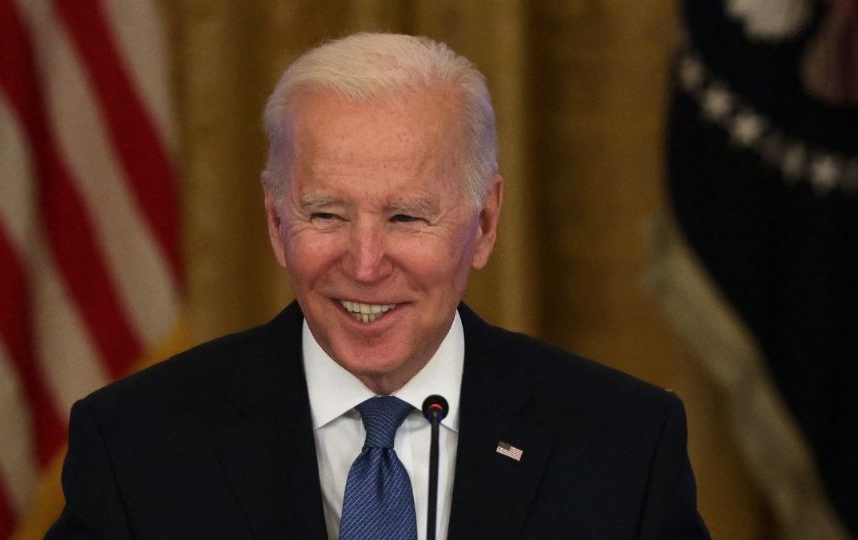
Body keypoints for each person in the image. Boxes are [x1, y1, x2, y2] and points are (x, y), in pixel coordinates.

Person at [47, 33, 709, 539]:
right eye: (326, 214)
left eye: (405, 217)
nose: (364, 264)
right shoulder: (134, 445)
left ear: (483, 223)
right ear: (277, 223)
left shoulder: (623, 446)